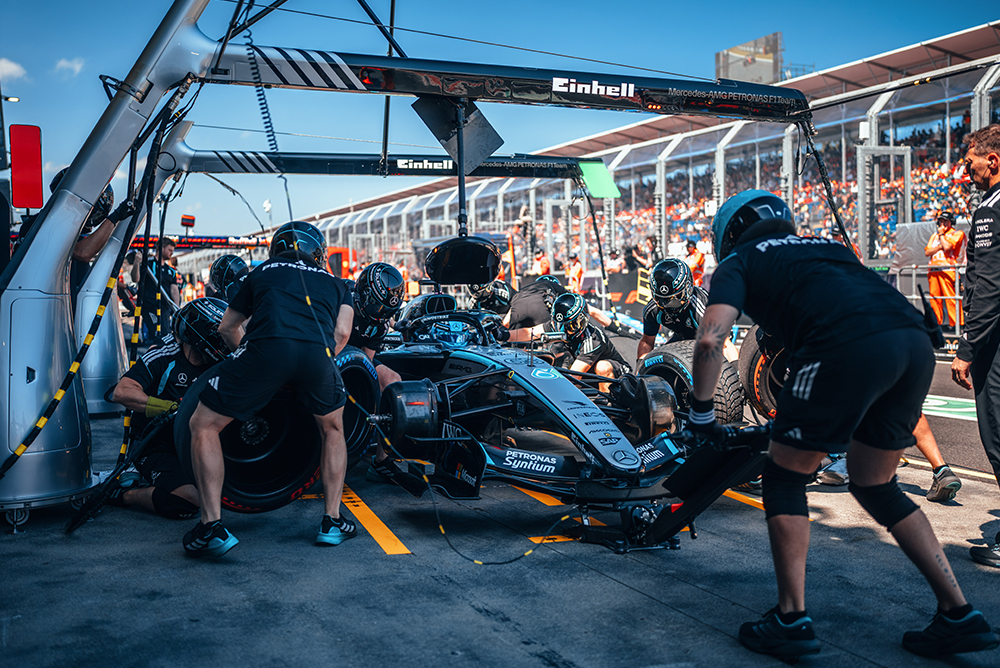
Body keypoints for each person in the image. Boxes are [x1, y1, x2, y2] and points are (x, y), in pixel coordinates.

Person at [691, 189, 997, 658]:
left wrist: (703, 412)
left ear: (729, 235)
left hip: (843, 344)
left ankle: (790, 620)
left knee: (784, 474)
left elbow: (711, 337)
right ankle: (959, 613)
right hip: (913, 343)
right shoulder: (827, 245)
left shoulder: (741, 260)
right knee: (876, 485)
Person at [183, 221, 356, 557]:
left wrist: (255, 363)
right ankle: (332, 521)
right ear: (318, 252)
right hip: (318, 354)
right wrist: (312, 363)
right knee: (333, 428)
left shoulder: (260, 272)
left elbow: (226, 327)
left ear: (276, 247)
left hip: (266, 349)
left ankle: (211, 528)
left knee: (203, 425)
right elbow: (343, 334)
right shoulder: (337, 283)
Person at [109, 298, 230, 519]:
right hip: (156, 444)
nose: (224, 343)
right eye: (219, 337)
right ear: (200, 337)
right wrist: (171, 408)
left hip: (197, 442)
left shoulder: (219, 362)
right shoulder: (165, 354)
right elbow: (122, 391)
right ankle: (126, 495)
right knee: (189, 501)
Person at [950, 124, 1000, 568]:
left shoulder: (990, 210)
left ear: (994, 161)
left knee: (998, 433)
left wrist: (967, 348)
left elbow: (987, 287)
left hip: (996, 343)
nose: (967, 170)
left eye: (971, 162)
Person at [338, 263, 409, 483]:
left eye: (385, 311)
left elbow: (367, 360)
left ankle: (381, 460)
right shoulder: (338, 296)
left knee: (392, 381)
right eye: (377, 308)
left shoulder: (379, 322)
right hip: (325, 353)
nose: (380, 315)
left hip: (356, 358)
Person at [636, 258, 737, 365]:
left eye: (674, 299)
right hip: (682, 335)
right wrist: (640, 370)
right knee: (661, 361)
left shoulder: (700, 308)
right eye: (661, 299)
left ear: (688, 289)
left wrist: (736, 374)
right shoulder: (652, 310)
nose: (667, 305)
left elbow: (726, 346)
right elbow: (647, 341)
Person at [550, 292, 631, 392]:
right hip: (589, 375)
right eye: (560, 325)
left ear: (582, 320)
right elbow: (529, 333)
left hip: (618, 377)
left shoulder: (593, 338)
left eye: (570, 326)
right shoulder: (557, 325)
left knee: (602, 367)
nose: (565, 330)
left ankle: (606, 403)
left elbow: (574, 377)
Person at [131, 237, 180, 341]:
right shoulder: (147, 264)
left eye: (173, 251)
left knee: (165, 336)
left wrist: (177, 309)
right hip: (150, 307)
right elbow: (135, 279)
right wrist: (136, 263)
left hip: (165, 308)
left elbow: (174, 290)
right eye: (169, 250)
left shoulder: (170, 271)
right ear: (161, 248)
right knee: (158, 336)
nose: (172, 253)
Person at [924, 211, 965, 327]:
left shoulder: (957, 233)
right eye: (941, 221)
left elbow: (947, 247)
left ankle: (957, 325)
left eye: (945, 221)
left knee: (951, 298)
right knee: (935, 299)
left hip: (948, 270)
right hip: (933, 271)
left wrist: (942, 236)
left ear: (951, 222)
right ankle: (937, 324)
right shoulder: (934, 236)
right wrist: (939, 246)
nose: (943, 224)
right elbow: (927, 252)